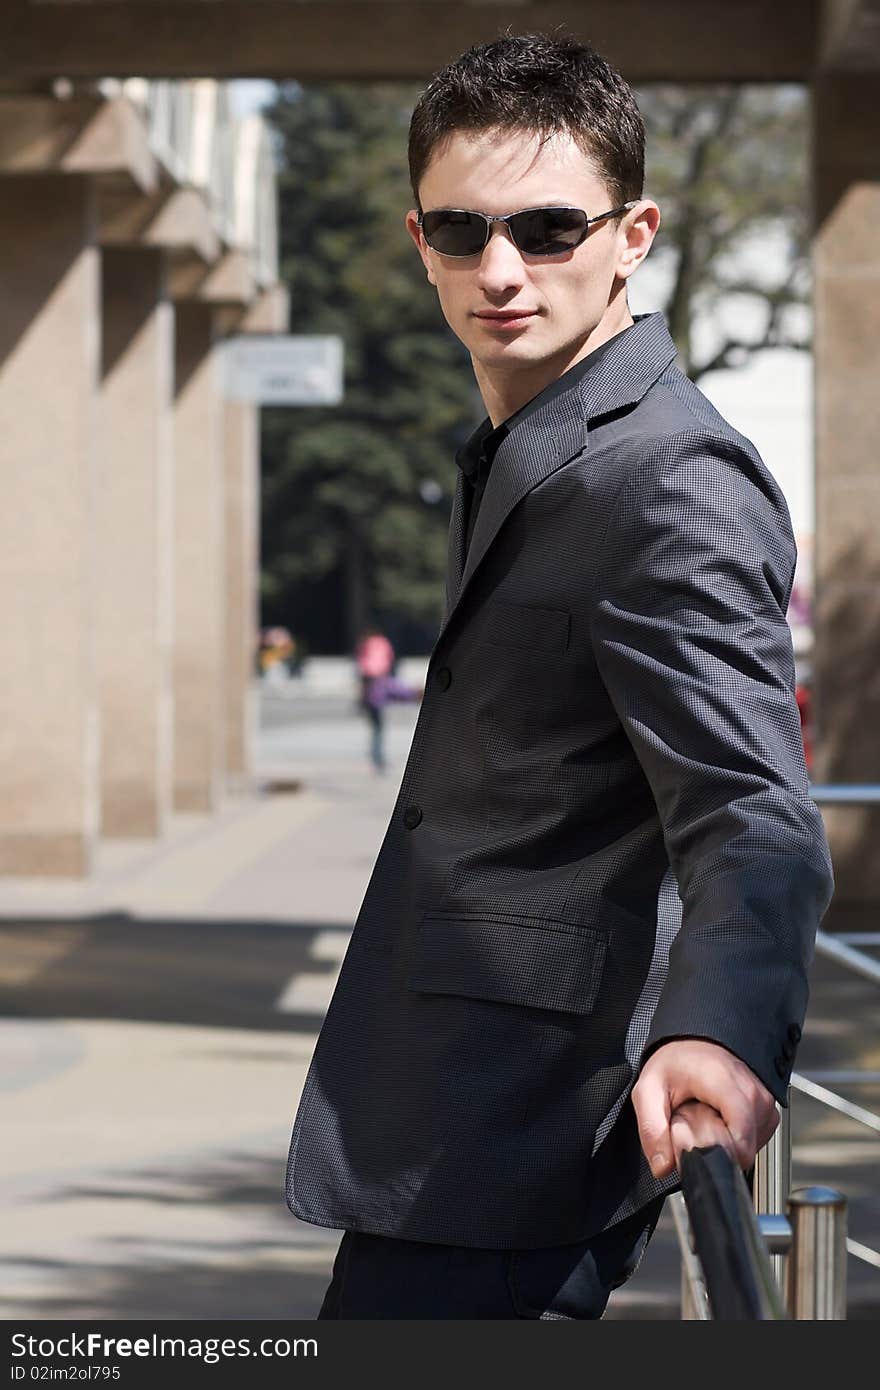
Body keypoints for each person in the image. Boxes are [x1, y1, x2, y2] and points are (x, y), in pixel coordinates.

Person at [284, 33, 834, 1319]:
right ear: (414, 234)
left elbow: (753, 812)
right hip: (450, 1119)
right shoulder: (534, 440)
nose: (500, 270)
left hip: (526, 1129)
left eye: (545, 227)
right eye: (460, 229)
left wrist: (719, 1028)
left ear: (631, 233)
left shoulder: (669, 476)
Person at [354, 628, 421, 772]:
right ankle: (378, 759)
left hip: (369, 684)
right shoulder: (382, 642)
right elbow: (387, 661)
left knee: (376, 727)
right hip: (378, 683)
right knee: (378, 727)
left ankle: (377, 758)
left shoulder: (366, 643)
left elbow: (362, 665)